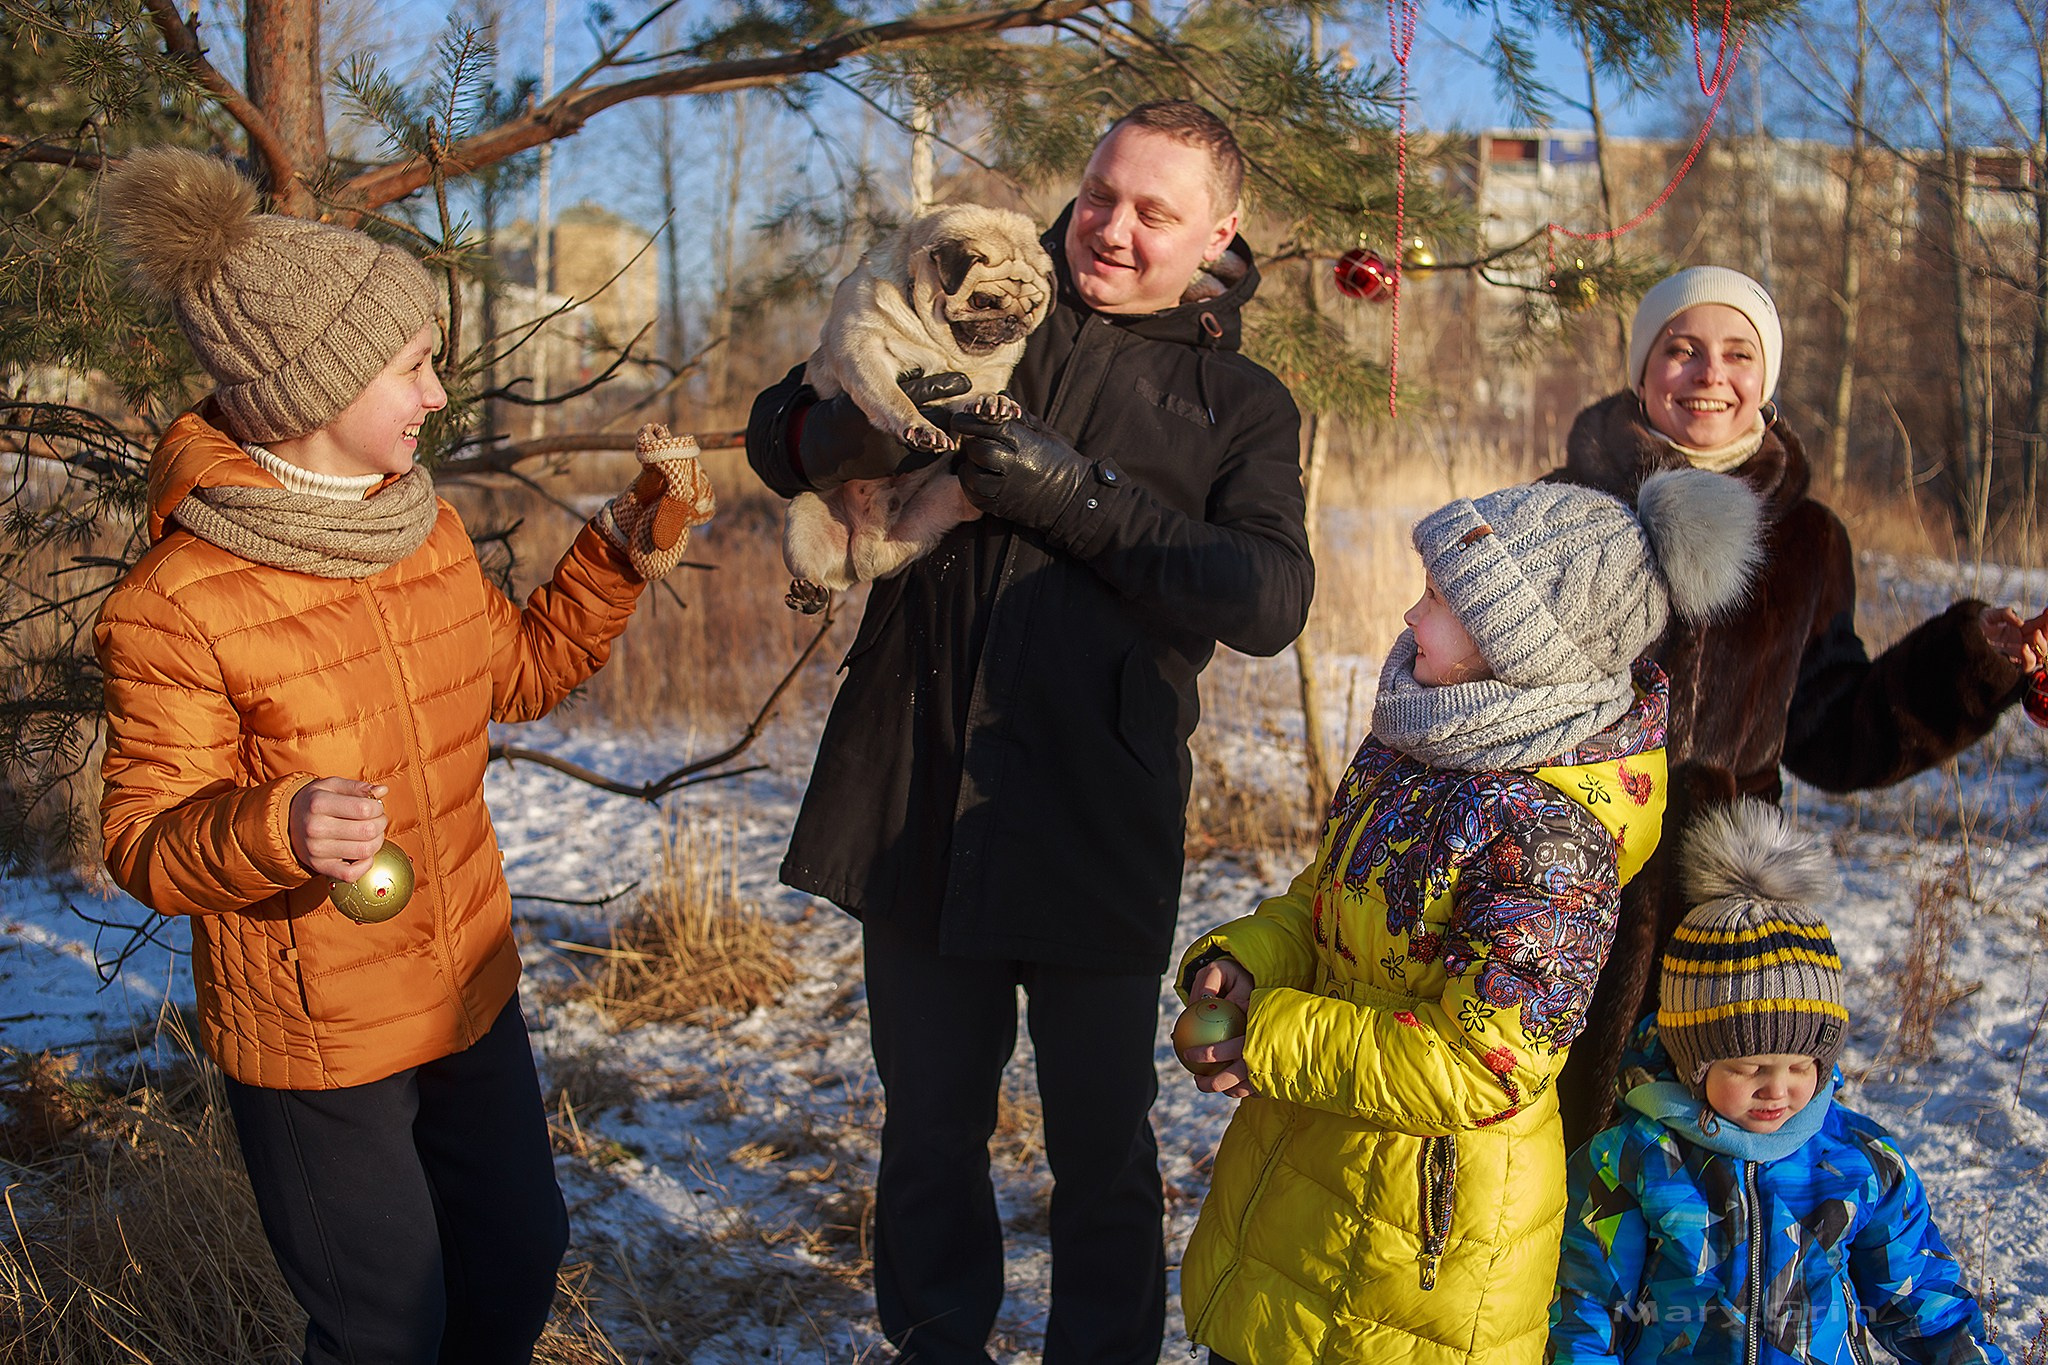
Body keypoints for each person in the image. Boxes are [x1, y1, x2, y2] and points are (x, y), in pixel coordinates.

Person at [92, 147, 713, 1365]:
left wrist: (626, 542)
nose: (436, 396)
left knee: (517, 1258)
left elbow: (520, 671)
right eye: (411, 368)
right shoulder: (178, 599)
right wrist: (274, 828)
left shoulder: (417, 525)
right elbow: (140, 839)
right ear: (311, 389)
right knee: (386, 1330)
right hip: (319, 1033)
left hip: (467, 981)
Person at [744, 101, 1312, 1363]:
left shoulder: (1238, 403)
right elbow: (774, 437)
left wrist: (1071, 495)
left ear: (1217, 232)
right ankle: (934, 1342)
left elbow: (1270, 601)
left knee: (1098, 1138)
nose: (1108, 228)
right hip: (915, 780)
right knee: (927, 1120)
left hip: (1089, 811)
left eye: (1153, 213)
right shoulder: (982, 294)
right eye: (1100, 193)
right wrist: (852, 422)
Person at [1173, 468, 1761, 1365]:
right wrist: (1253, 960)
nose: (1412, 616)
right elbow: (1330, 897)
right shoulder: (1420, 741)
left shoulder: (1552, 835)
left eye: (1440, 598)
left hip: (1417, 1255)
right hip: (1311, 1175)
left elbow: (1481, 1065)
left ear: (1518, 645)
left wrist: (1272, 1033)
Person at [1550, 265, 2047, 1148]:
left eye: (1738, 354)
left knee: (1699, 1183)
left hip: (1722, 912)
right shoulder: (1562, 507)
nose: (1710, 374)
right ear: (1642, 369)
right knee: (1544, 1174)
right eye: (1682, 349)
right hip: (1555, 882)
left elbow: (1835, 732)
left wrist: (1972, 664)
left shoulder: (1810, 539)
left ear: (1765, 383)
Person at [1551, 799, 2006, 1365]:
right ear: (1695, 1063)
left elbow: (1918, 1299)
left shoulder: (1857, 1163)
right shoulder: (1632, 1159)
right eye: (1748, 1068)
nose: (1778, 1089)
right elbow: (1588, 1307)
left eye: (1800, 1066)